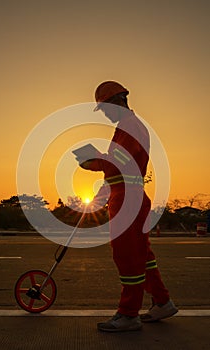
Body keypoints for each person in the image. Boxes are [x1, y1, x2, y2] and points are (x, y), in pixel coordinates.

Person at [76, 81, 178, 332]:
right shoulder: (124, 128)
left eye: (105, 108)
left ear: (118, 101)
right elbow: (117, 166)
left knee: (127, 255)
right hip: (125, 194)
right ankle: (162, 302)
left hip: (129, 199)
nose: (106, 114)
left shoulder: (131, 126)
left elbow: (123, 161)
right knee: (142, 256)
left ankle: (128, 314)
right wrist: (100, 185)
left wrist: (96, 161)